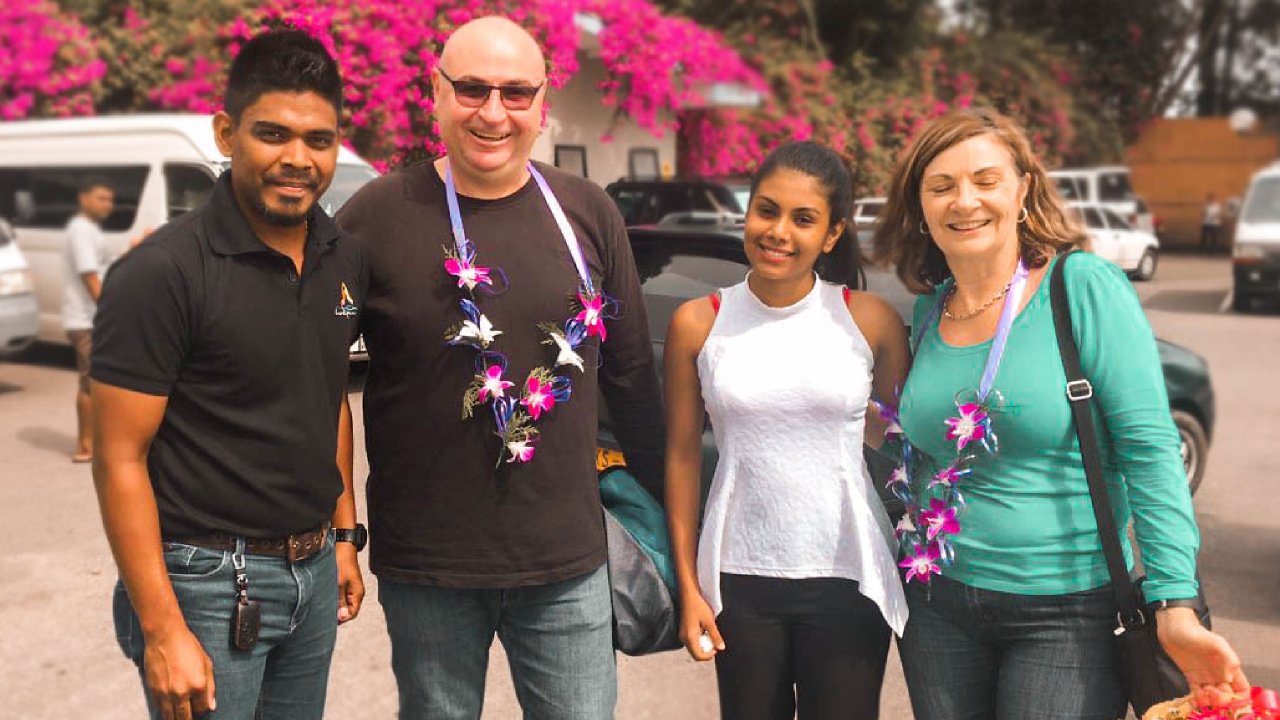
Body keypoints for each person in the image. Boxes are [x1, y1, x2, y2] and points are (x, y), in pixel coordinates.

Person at [334, 15, 663, 720]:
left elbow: (634, 384)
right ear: (435, 92)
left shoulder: (588, 211)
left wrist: (676, 534)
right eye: (472, 89)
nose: (493, 113)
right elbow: (316, 383)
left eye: (516, 93)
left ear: (543, 102)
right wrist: (339, 531)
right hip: (428, 566)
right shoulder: (374, 217)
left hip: (568, 563)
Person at [872, 107, 1247, 719]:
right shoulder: (931, 310)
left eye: (985, 180)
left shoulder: (1082, 287)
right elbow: (935, 451)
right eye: (941, 186)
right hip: (937, 605)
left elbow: (1150, 450)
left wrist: (1175, 601)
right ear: (920, 207)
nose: (964, 201)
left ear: (1023, 190)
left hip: (1067, 613)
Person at [91, 30, 366, 720]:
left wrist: (342, 537)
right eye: (273, 134)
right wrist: (163, 631)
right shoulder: (161, 272)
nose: (297, 158)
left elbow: (328, 396)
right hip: (206, 585)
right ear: (226, 132)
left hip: (312, 574)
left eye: (318, 139)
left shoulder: (341, 257)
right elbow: (118, 457)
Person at [664, 141, 911, 720]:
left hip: (850, 574)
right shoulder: (699, 321)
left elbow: (901, 443)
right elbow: (680, 456)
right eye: (767, 210)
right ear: (746, 212)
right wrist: (688, 585)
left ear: (831, 234)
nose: (778, 232)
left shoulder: (869, 320)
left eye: (803, 219)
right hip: (739, 575)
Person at [63, 175, 114, 463]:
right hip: (86, 319)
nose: (107, 204)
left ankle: (95, 441)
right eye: (101, 198)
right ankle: (85, 446)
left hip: (92, 317)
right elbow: (89, 275)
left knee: (96, 379)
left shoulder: (90, 229)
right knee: (90, 382)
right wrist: (109, 311)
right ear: (83, 199)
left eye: (109, 199)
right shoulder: (81, 230)